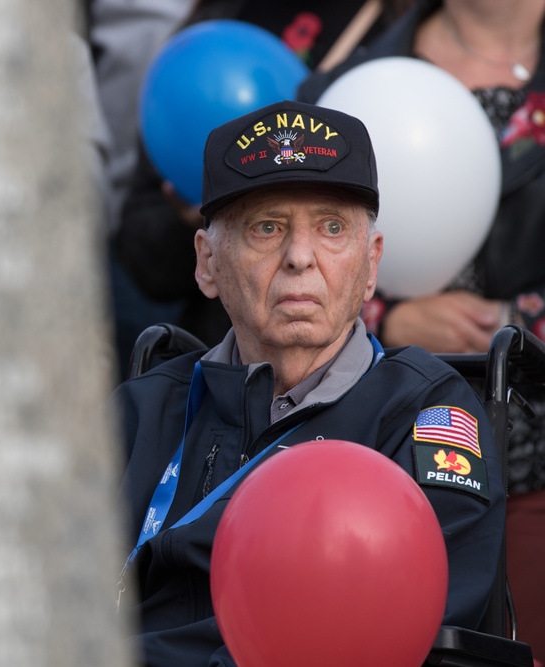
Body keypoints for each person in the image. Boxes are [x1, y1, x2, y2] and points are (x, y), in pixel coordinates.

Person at [114, 100, 505, 667]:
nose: (300, 257)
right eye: (266, 227)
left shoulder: (422, 415)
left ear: (371, 264)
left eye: (330, 227)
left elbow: (408, 629)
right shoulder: (142, 409)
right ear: (207, 264)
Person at [298, 0, 545, 658]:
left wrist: (513, 321)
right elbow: (283, 266)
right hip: (369, 467)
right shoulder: (343, 88)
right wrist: (386, 315)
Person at [111, 0, 410, 348]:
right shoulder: (213, 27)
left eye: (331, 227)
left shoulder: (403, 35)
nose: (299, 257)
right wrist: (204, 223)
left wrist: (388, 317)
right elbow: (143, 256)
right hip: (226, 351)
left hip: (364, 366)